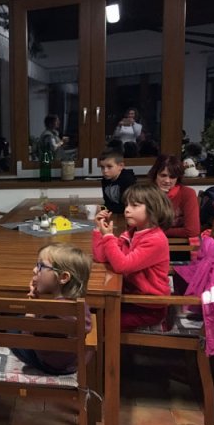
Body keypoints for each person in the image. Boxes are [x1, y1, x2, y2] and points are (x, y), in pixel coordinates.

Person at [92, 182, 175, 331]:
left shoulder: (155, 240)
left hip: (148, 306)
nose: (127, 210)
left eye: (134, 205)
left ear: (153, 209)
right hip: (130, 297)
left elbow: (122, 265)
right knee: (92, 312)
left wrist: (109, 237)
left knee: (99, 323)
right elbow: (101, 257)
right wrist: (99, 230)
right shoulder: (131, 232)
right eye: (127, 205)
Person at [20, 243, 92, 375]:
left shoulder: (53, 312)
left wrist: (31, 307)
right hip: (74, 361)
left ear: (63, 277)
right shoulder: (79, 305)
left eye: (41, 266)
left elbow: (27, 339)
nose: (34, 270)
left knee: (13, 328)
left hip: (52, 366)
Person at [147, 154, 200, 239]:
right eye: (163, 175)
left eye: (172, 177)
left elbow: (192, 231)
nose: (167, 181)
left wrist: (155, 231)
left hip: (179, 244)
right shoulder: (145, 193)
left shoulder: (188, 193)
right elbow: (136, 227)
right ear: (155, 174)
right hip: (150, 241)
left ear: (178, 178)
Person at [99, 149, 136, 214]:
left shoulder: (128, 180)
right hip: (115, 214)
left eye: (109, 167)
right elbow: (108, 203)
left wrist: (103, 208)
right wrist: (102, 208)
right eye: (102, 167)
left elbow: (126, 206)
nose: (105, 171)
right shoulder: (105, 180)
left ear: (121, 166)